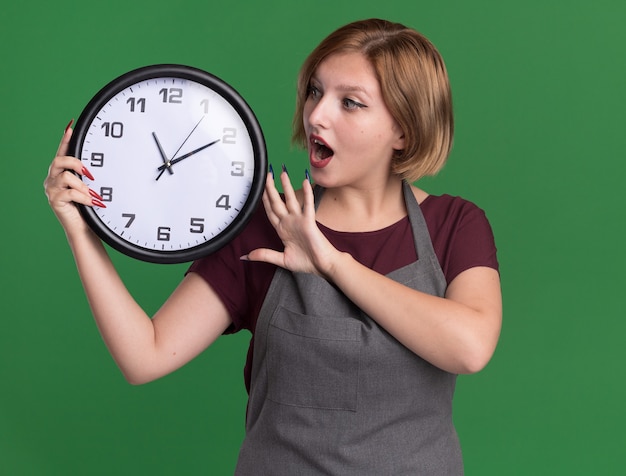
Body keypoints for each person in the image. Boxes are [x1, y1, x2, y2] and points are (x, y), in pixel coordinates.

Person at [44, 18, 501, 475]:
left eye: (350, 103)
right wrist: (81, 229)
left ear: (403, 130)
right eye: (315, 92)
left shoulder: (455, 225)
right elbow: (145, 355)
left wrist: (331, 264)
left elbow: (469, 346)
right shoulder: (261, 228)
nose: (317, 115)